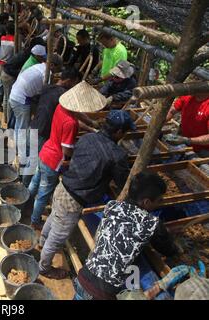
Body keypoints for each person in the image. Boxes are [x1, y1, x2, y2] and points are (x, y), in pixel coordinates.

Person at [39, 110, 135, 279]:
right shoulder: (117, 155)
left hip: (63, 187)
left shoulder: (87, 138)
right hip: (74, 199)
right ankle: (44, 268)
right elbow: (122, 182)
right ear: (119, 132)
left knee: (54, 217)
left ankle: (42, 243)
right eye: (125, 131)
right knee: (58, 236)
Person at [73, 171, 179, 300]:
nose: (160, 203)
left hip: (83, 277)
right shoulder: (152, 223)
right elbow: (167, 249)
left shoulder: (112, 205)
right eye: (159, 200)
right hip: (101, 293)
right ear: (146, 202)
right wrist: (176, 246)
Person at [29, 81, 105, 230]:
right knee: (44, 193)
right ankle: (34, 219)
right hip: (53, 159)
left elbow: (77, 119)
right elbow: (66, 150)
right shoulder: (71, 123)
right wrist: (78, 153)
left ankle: (26, 202)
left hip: (45, 150)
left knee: (36, 180)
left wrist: (91, 127)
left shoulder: (61, 107)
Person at [9, 54, 62, 177]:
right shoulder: (45, 75)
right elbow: (43, 95)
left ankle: (18, 150)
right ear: (52, 65)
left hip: (16, 95)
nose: (59, 71)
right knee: (22, 127)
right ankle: (21, 156)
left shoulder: (39, 66)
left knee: (19, 125)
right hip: (21, 99)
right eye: (58, 67)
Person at [30, 67, 83, 150]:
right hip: (42, 132)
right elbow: (75, 114)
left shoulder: (47, 88)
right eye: (74, 84)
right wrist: (91, 124)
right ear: (68, 81)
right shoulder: (64, 96)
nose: (74, 87)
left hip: (34, 126)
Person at [0, 37, 45, 125]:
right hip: (9, 75)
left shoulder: (29, 52)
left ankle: (7, 120)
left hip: (7, 72)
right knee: (10, 101)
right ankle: (9, 122)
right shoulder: (29, 58)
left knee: (7, 98)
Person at [165, 93, 209, 157]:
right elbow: (171, 111)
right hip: (184, 142)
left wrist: (187, 140)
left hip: (204, 149)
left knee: (202, 166)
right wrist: (158, 123)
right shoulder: (188, 96)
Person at [0, 22, 15, 116]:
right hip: (7, 67)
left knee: (0, 85)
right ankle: (7, 116)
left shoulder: (2, 38)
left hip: (0, 63)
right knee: (7, 94)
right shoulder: (15, 40)